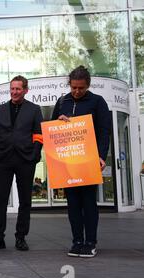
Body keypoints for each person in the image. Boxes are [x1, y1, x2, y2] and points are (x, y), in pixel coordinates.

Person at [51, 66, 111, 258]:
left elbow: (104, 131)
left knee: (89, 202)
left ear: (88, 85)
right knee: (73, 203)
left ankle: (90, 242)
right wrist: (59, 121)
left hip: (88, 160)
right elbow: (52, 128)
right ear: (69, 84)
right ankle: (77, 241)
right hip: (68, 162)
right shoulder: (62, 101)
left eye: (81, 88)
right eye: (74, 87)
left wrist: (101, 156)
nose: (77, 92)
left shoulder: (97, 102)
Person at [0, 75, 43, 252]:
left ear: (25, 90)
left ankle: (21, 237)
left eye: (18, 89)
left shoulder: (34, 110)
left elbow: (39, 135)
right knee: (0, 200)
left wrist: (34, 155)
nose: (14, 92)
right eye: (12, 89)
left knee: (25, 201)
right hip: (2, 161)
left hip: (25, 161)